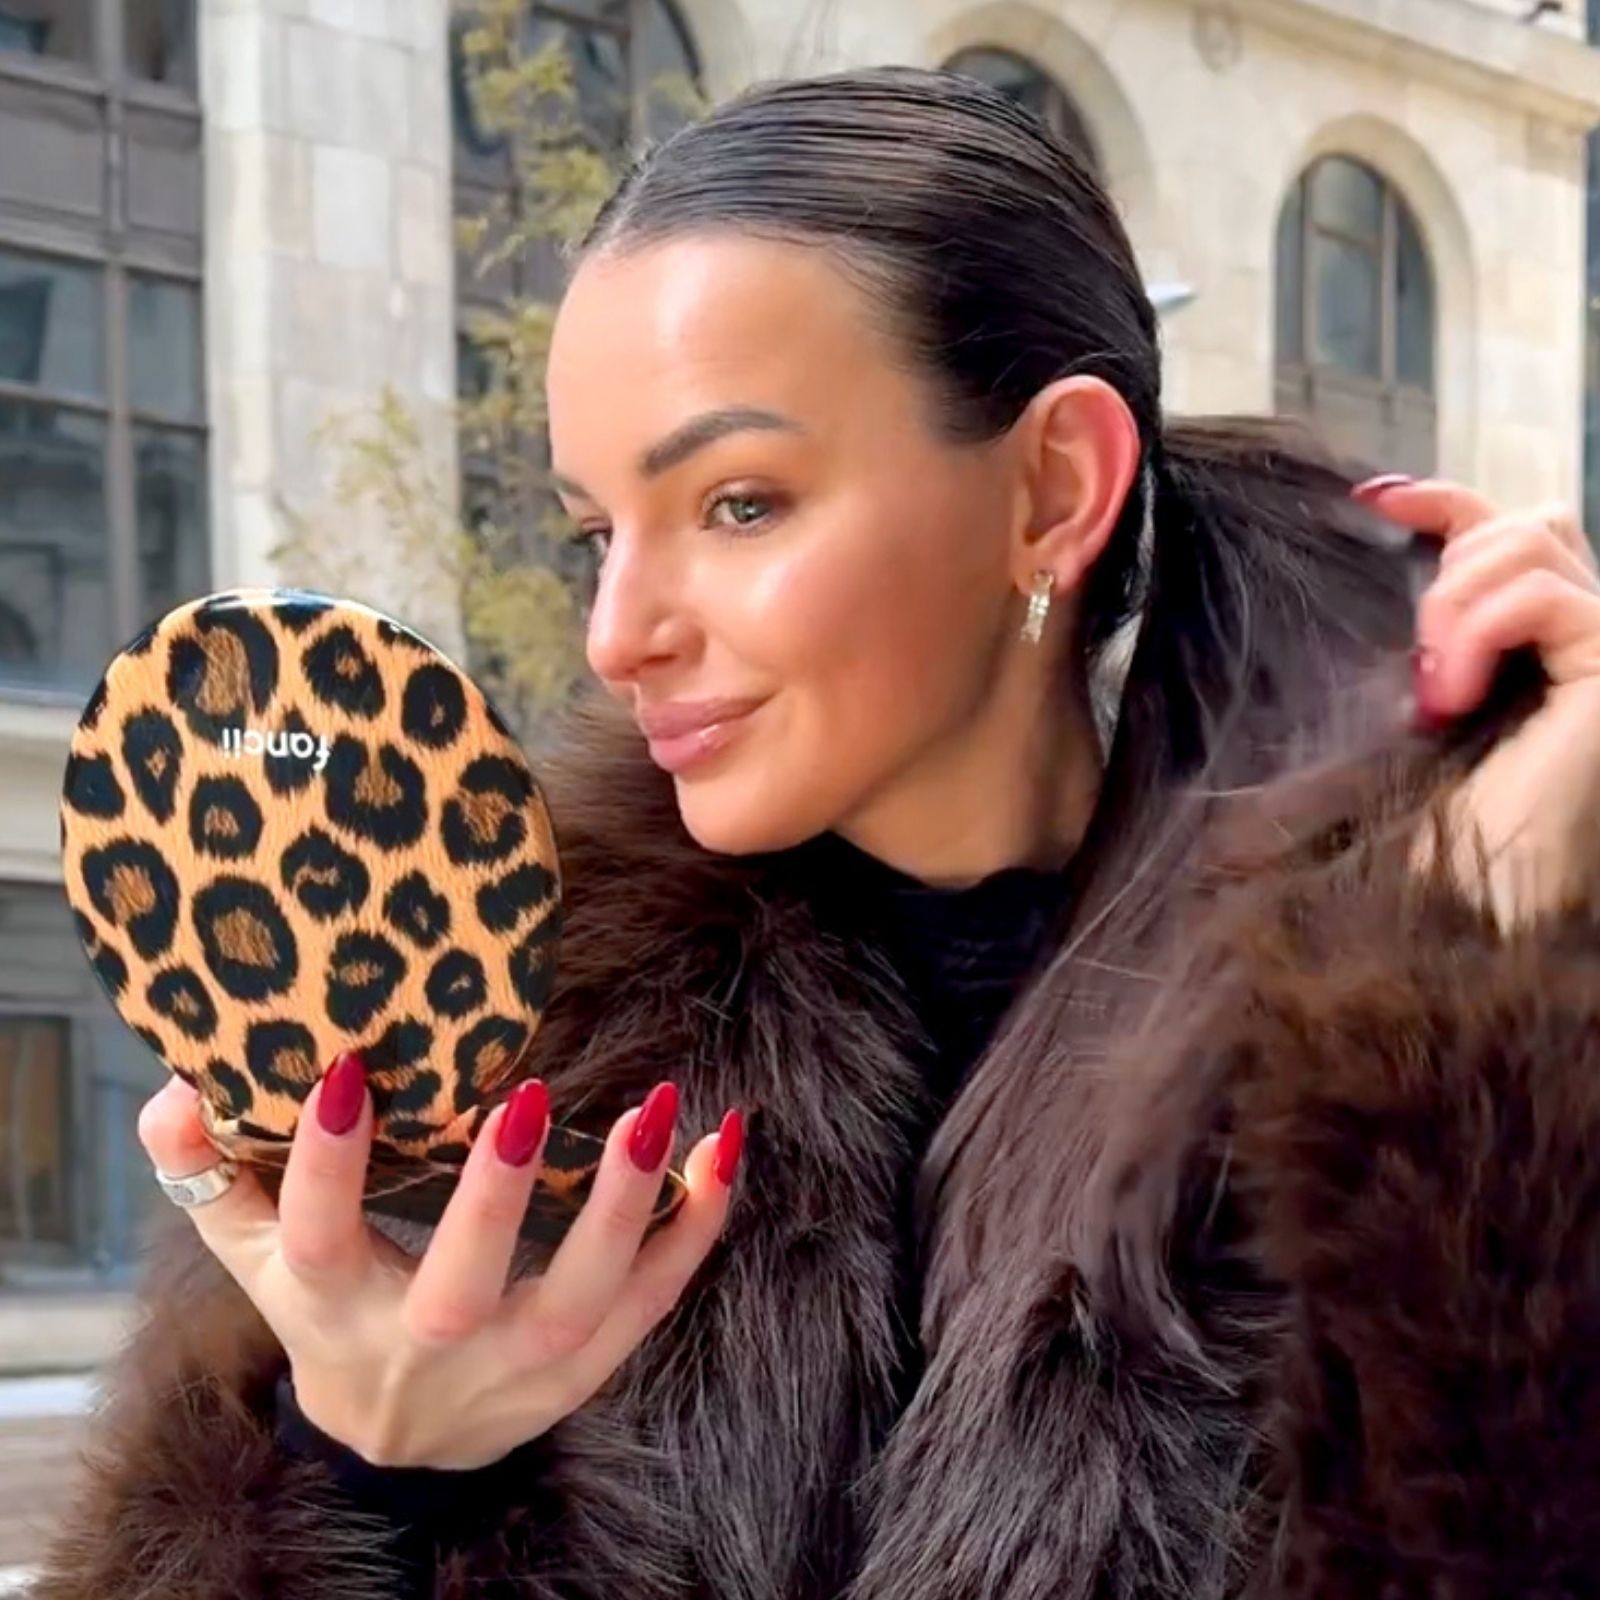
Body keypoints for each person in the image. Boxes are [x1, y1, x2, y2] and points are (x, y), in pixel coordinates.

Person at [30, 66, 1600, 1600]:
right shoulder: (488, 1063)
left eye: (736, 503)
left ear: (1053, 487)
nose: (614, 632)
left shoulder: (1400, 1037)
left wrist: (1489, 977)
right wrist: (354, 1473)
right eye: (596, 530)